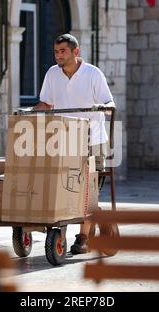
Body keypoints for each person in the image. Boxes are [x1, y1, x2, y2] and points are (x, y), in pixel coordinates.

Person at [33, 34, 115, 255]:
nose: (58, 55)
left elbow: (109, 102)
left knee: (88, 191)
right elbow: (46, 103)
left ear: (75, 52)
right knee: (67, 188)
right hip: (65, 140)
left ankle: (83, 238)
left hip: (93, 140)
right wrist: (27, 114)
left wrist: (102, 107)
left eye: (63, 51)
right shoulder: (52, 74)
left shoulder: (93, 74)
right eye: (56, 52)